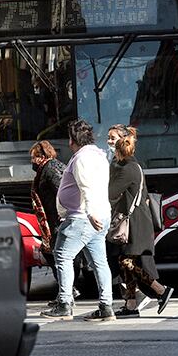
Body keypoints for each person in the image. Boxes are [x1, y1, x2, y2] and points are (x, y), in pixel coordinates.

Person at [42, 119, 114, 322]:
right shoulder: (100, 155)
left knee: (62, 256)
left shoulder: (82, 158)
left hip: (82, 217)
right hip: (100, 215)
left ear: (72, 140)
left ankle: (65, 303)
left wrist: (90, 213)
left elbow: (86, 186)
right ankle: (106, 306)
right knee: (100, 262)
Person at [107, 125, 174, 318]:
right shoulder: (123, 165)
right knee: (124, 260)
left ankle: (161, 290)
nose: (109, 142)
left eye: (112, 139)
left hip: (136, 223)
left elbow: (110, 193)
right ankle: (130, 305)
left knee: (126, 261)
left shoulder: (128, 168)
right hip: (131, 221)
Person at [29, 140, 65, 255]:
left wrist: (62, 213)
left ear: (42, 157)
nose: (32, 161)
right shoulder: (47, 168)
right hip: (54, 218)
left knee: (58, 253)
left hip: (57, 218)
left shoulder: (50, 169)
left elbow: (60, 191)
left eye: (33, 157)